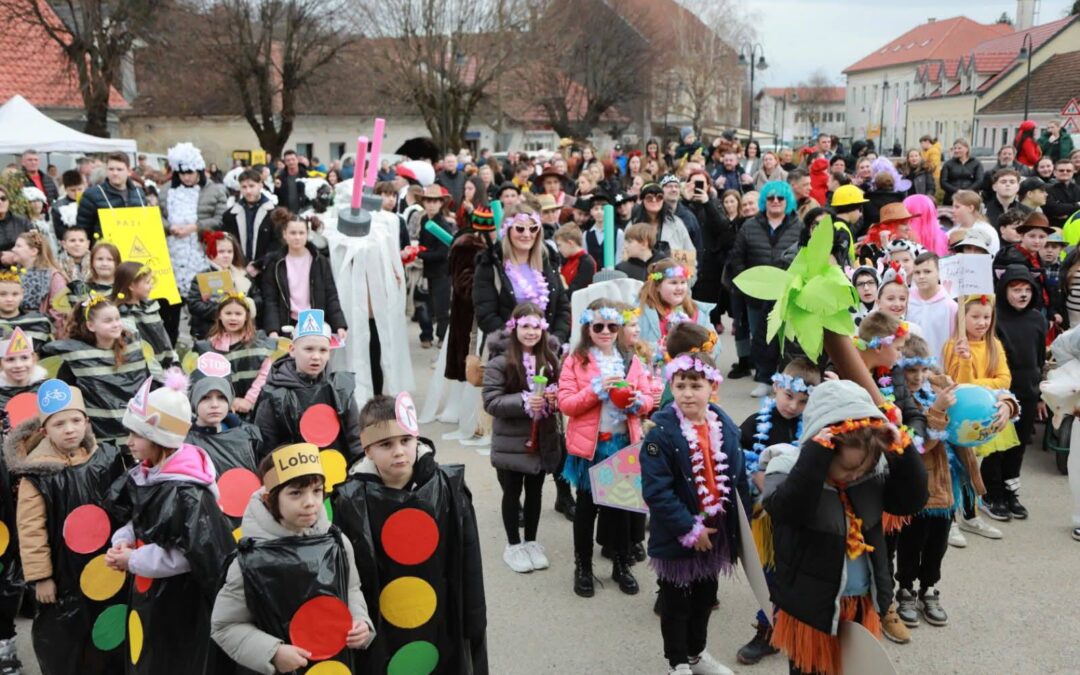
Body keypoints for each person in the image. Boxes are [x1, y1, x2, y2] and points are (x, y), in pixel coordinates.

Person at [764, 379, 927, 675]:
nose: (855, 476)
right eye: (847, 469)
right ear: (823, 449)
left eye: (862, 469)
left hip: (861, 602)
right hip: (811, 609)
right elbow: (788, 510)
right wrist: (815, 458)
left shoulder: (873, 472)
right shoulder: (789, 468)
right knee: (810, 671)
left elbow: (911, 501)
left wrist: (902, 447)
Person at [331, 392, 488, 674]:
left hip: (442, 619)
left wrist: (474, 618)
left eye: (406, 440)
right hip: (382, 625)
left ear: (417, 439)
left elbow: (468, 555)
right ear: (367, 450)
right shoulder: (351, 500)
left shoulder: (448, 488)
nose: (399, 451)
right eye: (386, 444)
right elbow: (346, 573)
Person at [104, 371, 235, 675]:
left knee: (171, 659)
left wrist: (134, 558)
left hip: (178, 603)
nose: (129, 442)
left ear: (158, 437)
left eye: (136, 435)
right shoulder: (147, 472)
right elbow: (138, 518)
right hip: (148, 592)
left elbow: (190, 556)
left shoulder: (188, 494)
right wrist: (123, 539)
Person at [211, 444, 374, 673]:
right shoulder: (248, 562)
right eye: (296, 493)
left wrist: (360, 620)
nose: (310, 502)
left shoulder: (337, 543)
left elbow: (352, 589)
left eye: (317, 490)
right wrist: (272, 652)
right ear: (270, 499)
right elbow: (225, 625)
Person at [6, 380, 125, 675]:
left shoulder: (104, 459)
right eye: (59, 424)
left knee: (107, 629)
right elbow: (31, 530)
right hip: (61, 572)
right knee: (67, 637)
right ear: (45, 430)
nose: (69, 429)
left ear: (87, 422)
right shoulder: (37, 474)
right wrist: (41, 577)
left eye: (75, 420)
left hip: (106, 566)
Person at [640, 352, 746, 675]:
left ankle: (697, 654)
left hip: (715, 534)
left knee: (704, 598)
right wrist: (689, 528)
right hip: (679, 535)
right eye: (680, 385)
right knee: (676, 603)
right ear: (671, 386)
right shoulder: (661, 433)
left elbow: (737, 477)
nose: (687, 393)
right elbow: (657, 491)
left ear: (712, 387)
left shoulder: (724, 425)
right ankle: (677, 663)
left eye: (695, 385)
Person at [560, 299, 655, 597]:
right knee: (587, 510)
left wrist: (638, 402)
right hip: (590, 447)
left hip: (622, 444)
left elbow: (649, 398)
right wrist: (595, 390)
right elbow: (566, 404)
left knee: (619, 508)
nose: (605, 331)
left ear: (619, 328)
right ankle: (583, 567)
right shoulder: (576, 360)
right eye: (598, 325)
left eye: (612, 326)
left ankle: (620, 564)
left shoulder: (630, 360)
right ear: (587, 326)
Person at [735, 358, 820, 667]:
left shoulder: (813, 428)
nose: (793, 406)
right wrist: (755, 477)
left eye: (802, 401)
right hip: (765, 520)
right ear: (776, 387)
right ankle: (767, 631)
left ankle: (793, 627)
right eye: (789, 396)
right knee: (769, 577)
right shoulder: (755, 424)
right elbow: (736, 463)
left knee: (794, 576)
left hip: (799, 516)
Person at [893, 335, 970, 629]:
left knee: (937, 545)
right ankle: (906, 589)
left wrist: (1004, 405)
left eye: (923, 370)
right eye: (910, 370)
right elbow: (921, 444)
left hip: (945, 488)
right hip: (916, 488)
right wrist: (937, 410)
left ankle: (929, 589)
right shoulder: (899, 399)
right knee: (911, 543)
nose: (918, 377)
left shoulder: (938, 386)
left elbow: (974, 402)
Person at [482, 303, 562, 573]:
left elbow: (562, 391)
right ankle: (513, 544)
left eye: (536, 327)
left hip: (541, 439)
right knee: (512, 491)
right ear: (514, 328)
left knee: (536, 492)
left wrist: (553, 399)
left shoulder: (550, 360)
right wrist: (526, 401)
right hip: (511, 442)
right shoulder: (499, 362)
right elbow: (491, 402)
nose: (531, 332)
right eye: (525, 326)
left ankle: (531, 541)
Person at [942, 294, 1021, 536]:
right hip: (960, 420)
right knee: (954, 469)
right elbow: (959, 385)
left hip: (987, 417)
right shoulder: (952, 346)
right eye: (975, 316)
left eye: (986, 317)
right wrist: (965, 363)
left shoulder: (994, 345)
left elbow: (1004, 379)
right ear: (962, 318)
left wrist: (979, 384)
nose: (982, 322)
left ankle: (970, 515)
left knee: (973, 468)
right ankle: (951, 521)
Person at [728, 181, 804, 397]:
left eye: (780, 198)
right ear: (764, 201)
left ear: (787, 200)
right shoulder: (750, 226)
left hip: (787, 294)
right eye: (771, 198)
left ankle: (787, 381)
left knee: (787, 340)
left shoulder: (798, 226)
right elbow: (737, 257)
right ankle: (764, 378)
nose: (776, 202)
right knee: (760, 338)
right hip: (757, 295)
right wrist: (747, 285)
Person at [253, 309, 361, 459]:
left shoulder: (341, 388)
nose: (316, 357)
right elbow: (265, 448)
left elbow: (355, 438)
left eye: (323, 350)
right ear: (292, 350)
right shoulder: (273, 393)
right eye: (309, 349)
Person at [986, 265, 1047, 521]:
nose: (1022, 295)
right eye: (1016, 290)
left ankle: (1011, 492)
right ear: (1004, 290)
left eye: (1026, 290)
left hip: (1028, 391)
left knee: (1018, 446)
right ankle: (992, 494)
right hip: (1000, 393)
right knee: (996, 446)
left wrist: (1041, 391)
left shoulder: (1037, 319)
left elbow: (1041, 357)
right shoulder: (994, 317)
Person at [473, 203, 571, 343]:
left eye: (533, 228)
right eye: (520, 229)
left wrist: (556, 340)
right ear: (507, 230)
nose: (527, 234)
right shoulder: (491, 265)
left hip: (546, 351)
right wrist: (518, 345)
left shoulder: (548, 262)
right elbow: (486, 315)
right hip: (507, 352)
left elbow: (562, 308)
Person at [260, 211, 347, 340]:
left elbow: (330, 294)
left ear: (307, 234)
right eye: (293, 233)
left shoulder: (319, 260)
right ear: (285, 234)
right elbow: (270, 298)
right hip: (288, 324)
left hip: (315, 322)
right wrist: (273, 329)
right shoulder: (275, 262)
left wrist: (339, 324)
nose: (297, 237)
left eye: (301, 233)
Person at [193, 292, 275, 415]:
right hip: (224, 407)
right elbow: (209, 379)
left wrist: (249, 400)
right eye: (228, 313)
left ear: (247, 316)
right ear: (219, 315)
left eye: (238, 314)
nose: (233, 318)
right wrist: (228, 400)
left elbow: (264, 375)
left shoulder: (261, 343)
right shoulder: (210, 345)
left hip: (256, 406)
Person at [639, 258, 718, 365]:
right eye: (673, 283)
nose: (679, 287)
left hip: (689, 377)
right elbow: (635, 345)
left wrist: (708, 350)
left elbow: (715, 343)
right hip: (658, 377)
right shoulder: (644, 312)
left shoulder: (696, 311)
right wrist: (658, 350)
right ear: (657, 286)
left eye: (683, 282)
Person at [186, 231, 259, 340]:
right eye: (221, 252)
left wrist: (245, 303)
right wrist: (224, 309)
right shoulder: (203, 276)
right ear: (211, 253)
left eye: (230, 252)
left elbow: (258, 298)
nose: (226, 255)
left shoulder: (243, 275)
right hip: (209, 331)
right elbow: (194, 304)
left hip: (241, 332)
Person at [75, 152, 146, 243]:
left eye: (119, 169)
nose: (115, 173)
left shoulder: (139, 193)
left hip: (135, 249)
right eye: (111, 169)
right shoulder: (92, 195)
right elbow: (83, 230)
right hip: (105, 252)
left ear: (129, 171)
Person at [414, 185, 453, 348]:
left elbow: (444, 253)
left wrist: (419, 253)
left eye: (434, 201)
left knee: (441, 307)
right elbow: (424, 244)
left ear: (440, 204)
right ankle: (427, 335)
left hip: (442, 272)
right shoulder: (424, 220)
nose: (431, 204)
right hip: (428, 270)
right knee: (425, 304)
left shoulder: (443, 224)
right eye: (428, 201)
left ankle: (443, 337)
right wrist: (419, 250)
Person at [220, 168, 277, 278]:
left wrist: (259, 264)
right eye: (244, 187)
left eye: (252, 186)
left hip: (267, 270)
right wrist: (241, 264)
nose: (248, 191)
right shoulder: (230, 215)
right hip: (239, 269)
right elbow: (228, 242)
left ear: (260, 185)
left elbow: (277, 244)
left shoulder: (274, 213)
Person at [907, 252, 957, 359]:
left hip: (940, 369)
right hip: (909, 368)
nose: (921, 276)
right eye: (917, 272)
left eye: (927, 272)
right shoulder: (906, 301)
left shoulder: (951, 306)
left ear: (939, 272)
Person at [11, 231, 66, 328]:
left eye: (18, 246)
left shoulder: (54, 277)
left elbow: (60, 312)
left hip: (43, 334)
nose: (13, 249)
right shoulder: (14, 275)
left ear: (33, 251)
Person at [0, 270, 52, 348]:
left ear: (22, 294)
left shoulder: (39, 321)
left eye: (15, 294)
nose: (9, 299)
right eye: (3, 294)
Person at [554, 223, 595, 297]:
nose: (559, 249)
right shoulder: (565, 259)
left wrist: (562, 281)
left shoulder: (587, 262)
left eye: (560, 245)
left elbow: (577, 292)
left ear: (570, 243)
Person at [939, 139, 984, 205]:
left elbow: (979, 181)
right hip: (951, 198)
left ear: (967, 149)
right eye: (955, 148)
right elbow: (943, 182)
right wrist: (957, 191)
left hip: (970, 197)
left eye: (959, 148)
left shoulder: (976, 163)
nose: (956, 150)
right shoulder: (948, 164)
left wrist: (967, 191)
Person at [49, 170, 84, 242]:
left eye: (80, 189)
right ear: (65, 189)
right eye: (73, 190)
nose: (77, 193)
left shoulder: (89, 202)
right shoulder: (58, 207)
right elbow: (59, 230)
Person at [1045, 160, 1080, 229]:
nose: (1065, 172)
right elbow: (1054, 209)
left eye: (1068, 170)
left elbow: (1058, 208)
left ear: (1073, 172)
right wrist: (1077, 205)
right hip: (1055, 229)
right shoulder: (1046, 189)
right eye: (1061, 170)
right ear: (1054, 172)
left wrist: (1063, 208)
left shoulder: (1078, 189)